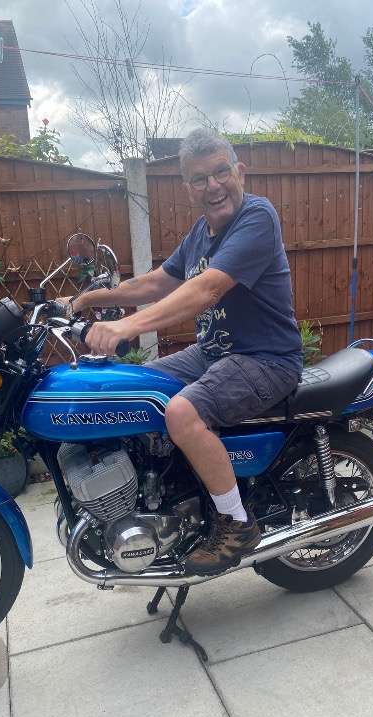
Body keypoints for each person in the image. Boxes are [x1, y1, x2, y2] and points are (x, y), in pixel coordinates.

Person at [60, 128, 303, 575]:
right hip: (215, 353)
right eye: (199, 179)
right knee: (135, 387)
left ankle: (236, 522)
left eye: (220, 172)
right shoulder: (200, 234)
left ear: (239, 172)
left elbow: (206, 289)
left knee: (180, 413)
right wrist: (83, 301)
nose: (213, 186)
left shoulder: (257, 217)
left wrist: (127, 325)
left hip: (266, 358)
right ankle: (165, 496)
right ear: (188, 188)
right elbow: (155, 283)